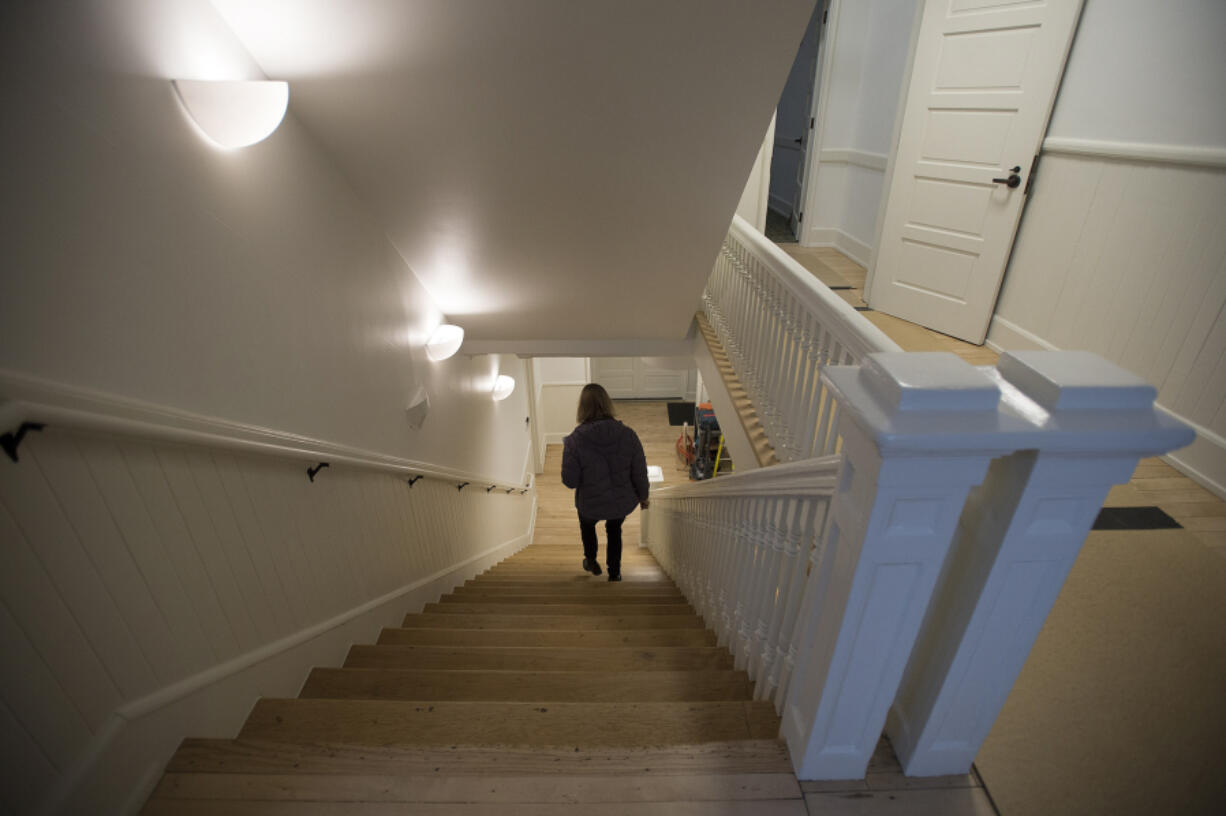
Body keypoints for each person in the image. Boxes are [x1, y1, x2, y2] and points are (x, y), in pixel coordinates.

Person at [561, 383, 649, 582]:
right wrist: (644, 497)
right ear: (607, 403)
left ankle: (591, 560)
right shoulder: (628, 434)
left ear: (582, 407)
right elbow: (640, 472)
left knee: (587, 525)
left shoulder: (574, 441)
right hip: (620, 502)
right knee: (614, 530)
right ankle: (615, 572)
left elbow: (570, 481)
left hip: (590, 503)